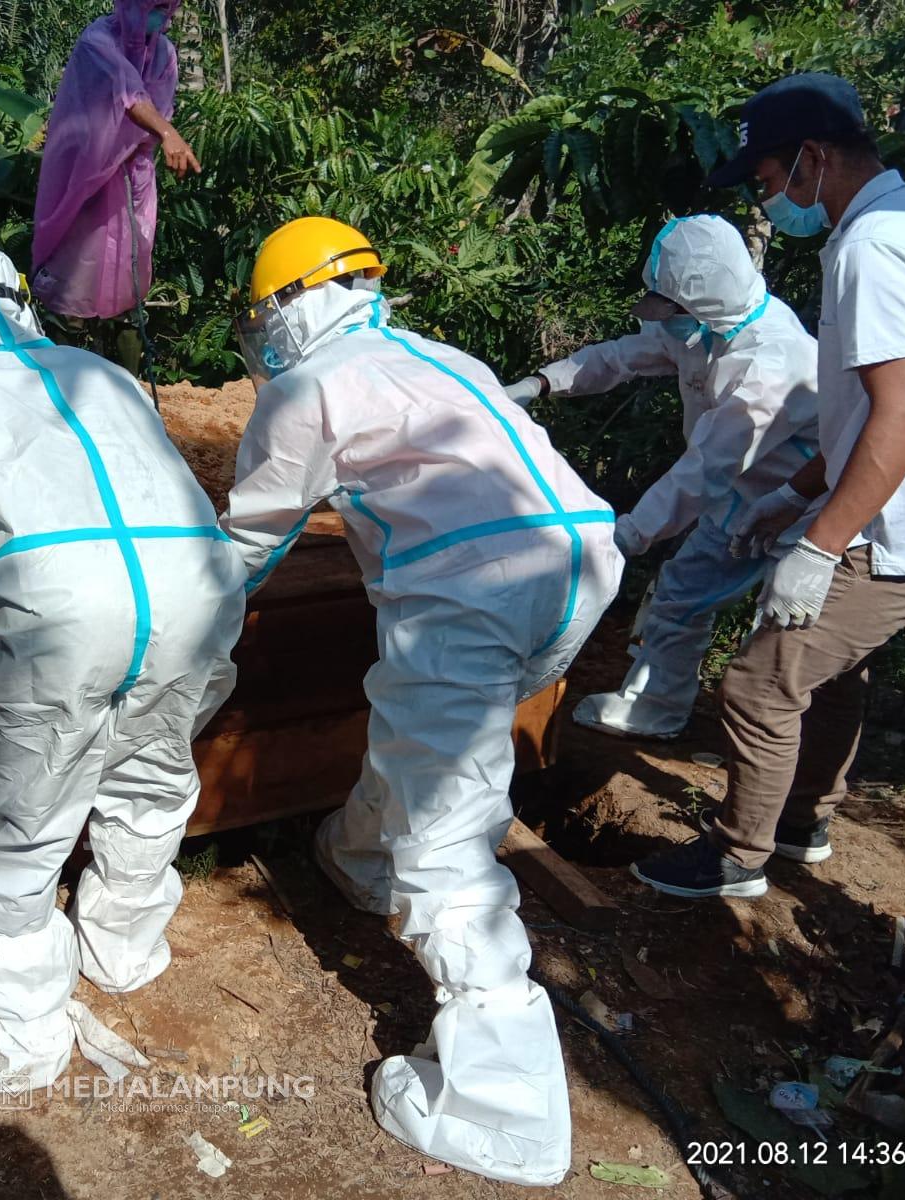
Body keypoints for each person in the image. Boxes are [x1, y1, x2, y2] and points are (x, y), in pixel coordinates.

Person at [222, 217, 622, 1185]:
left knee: (445, 832)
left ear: (284, 305)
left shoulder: (304, 388)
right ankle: (358, 859)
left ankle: (505, 1108)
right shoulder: (439, 355)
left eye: (257, 320)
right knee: (434, 746)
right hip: (579, 560)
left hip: (469, 588)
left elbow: (247, 544)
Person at [0, 243, 245, 1094]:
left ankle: (23, 1027)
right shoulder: (96, 371)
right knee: (151, 778)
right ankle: (126, 949)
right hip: (196, 591)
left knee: (25, 824)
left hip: (57, 611)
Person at [631, 73, 905, 899]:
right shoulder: (901, 226)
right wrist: (795, 492)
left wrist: (818, 542)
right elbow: (859, 417)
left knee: (762, 678)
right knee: (832, 670)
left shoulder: (874, 248)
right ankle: (806, 816)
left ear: (813, 157)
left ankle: (739, 855)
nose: (771, 201)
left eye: (771, 182)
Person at [506, 215, 819, 739]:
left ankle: (778, 755)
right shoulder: (699, 331)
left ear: (702, 305)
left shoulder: (774, 359)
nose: (663, 323)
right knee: (679, 595)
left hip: (801, 508)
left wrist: (629, 534)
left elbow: (706, 467)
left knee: (787, 631)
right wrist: (541, 384)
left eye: (671, 311)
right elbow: (620, 357)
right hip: (740, 496)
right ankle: (657, 708)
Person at [31, 0, 199, 320]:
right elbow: (128, 92)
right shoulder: (97, 40)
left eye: (165, 7)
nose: (158, 15)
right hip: (84, 175)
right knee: (72, 276)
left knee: (127, 277)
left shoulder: (164, 53)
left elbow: (157, 109)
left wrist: (153, 135)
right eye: (152, 6)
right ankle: (63, 353)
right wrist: (166, 133)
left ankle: (123, 364)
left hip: (133, 176)